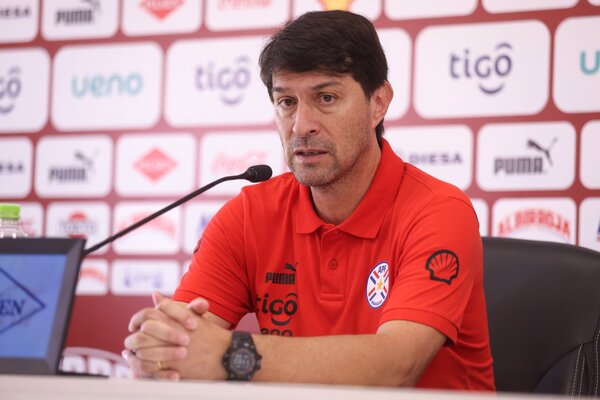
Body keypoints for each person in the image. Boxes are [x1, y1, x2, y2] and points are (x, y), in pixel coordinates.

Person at [123, 10, 495, 390]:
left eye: (326, 97)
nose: (301, 125)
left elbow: (397, 365)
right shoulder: (249, 215)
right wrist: (159, 349)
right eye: (287, 102)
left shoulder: (438, 211)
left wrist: (232, 354)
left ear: (378, 102)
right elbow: (183, 342)